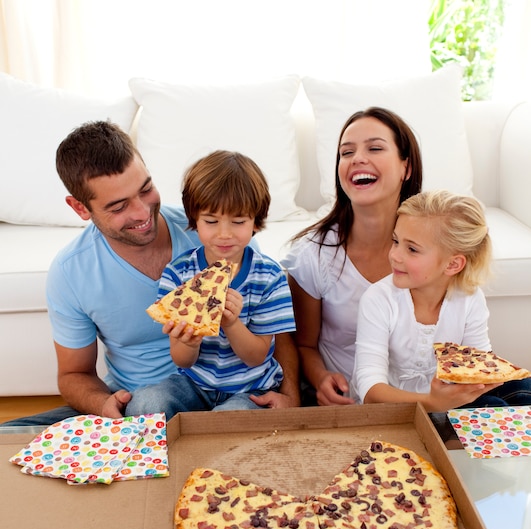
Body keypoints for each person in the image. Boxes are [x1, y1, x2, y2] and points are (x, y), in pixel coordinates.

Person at [3, 123, 299, 427]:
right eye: (118, 206)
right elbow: (73, 374)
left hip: (243, 389)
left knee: (230, 425)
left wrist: (291, 398)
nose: (143, 212)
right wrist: (105, 405)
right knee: (11, 436)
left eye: (145, 189)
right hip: (147, 400)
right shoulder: (71, 272)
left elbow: (277, 336)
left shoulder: (218, 229)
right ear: (80, 208)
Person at [125, 150, 296, 415]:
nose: (224, 233)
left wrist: (231, 322)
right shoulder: (178, 273)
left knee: (226, 420)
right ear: (194, 220)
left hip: (250, 388)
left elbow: (257, 357)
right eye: (211, 221)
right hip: (194, 383)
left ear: (256, 223)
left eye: (238, 221)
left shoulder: (269, 277)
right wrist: (189, 342)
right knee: (145, 405)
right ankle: (158, 455)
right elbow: (181, 359)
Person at [282, 107, 422, 406]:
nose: (357, 158)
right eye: (347, 153)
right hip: (349, 406)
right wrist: (320, 379)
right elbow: (303, 345)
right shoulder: (312, 255)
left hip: (422, 404)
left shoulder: (435, 246)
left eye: (374, 148)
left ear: (405, 168)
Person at [352, 189, 531, 412]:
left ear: (453, 265)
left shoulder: (470, 298)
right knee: (493, 406)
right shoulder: (379, 299)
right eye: (395, 241)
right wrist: (433, 403)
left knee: (524, 389)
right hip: (396, 408)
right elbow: (370, 392)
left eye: (412, 249)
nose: (394, 255)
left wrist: (489, 379)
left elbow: (479, 366)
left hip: (448, 398)